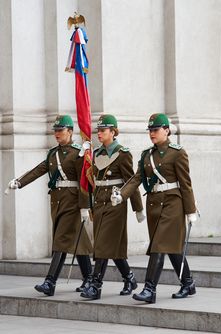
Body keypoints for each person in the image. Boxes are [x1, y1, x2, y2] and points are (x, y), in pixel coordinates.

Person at [111, 113, 198, 304]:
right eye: (150, 130)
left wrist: (191, 210)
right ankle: (188, 283)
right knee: (172, 247)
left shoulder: (177, 153)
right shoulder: (146, 155)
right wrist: (122, 195)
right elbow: (136, 178)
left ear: (166, 130)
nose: (152, 133)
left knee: (158, 245)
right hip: (154, 206)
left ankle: (150, 289)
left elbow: (185, 183)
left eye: (155, 130)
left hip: (173, 205)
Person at [7, 115, 93, 296]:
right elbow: (39, 169)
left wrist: (85, 206)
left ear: (70, 131)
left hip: (72, 203)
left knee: (60, 241)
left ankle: (50, 282)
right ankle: (89, 279)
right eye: (55, 131)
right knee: (78, 242)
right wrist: (20, 182)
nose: (57, 134)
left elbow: (84, 182)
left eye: (60, 130)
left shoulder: (78, 154)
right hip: (58, 203)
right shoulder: (53, 153)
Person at [80, 114, 145, 300]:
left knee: (102, 244)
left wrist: (137, 208)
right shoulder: (97, 153)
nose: (99, 134)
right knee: (110, 246)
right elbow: (93, 182)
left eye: (103, 130)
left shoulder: (123, 153)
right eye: (98, 130)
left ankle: (95, 285)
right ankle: (129, 278)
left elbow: (131, 181)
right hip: (99, 203)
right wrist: (88, 205)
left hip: (115, 203)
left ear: (113, 132)